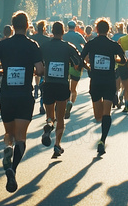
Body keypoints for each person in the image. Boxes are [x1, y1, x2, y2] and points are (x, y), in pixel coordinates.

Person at [0, 11, 44, 193]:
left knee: (8, 133)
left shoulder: (3, 45)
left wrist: (3, 73)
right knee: (21, 136)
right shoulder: (32, 45)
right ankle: (13, 168)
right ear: (27, 25)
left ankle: (7, 147)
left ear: (12, 25)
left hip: (6, 94)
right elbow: (40, 69)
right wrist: (34, 72)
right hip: (24, 95)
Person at [80, 18, 127, 155]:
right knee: (104, 114)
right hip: (109, 81)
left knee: (98, 115)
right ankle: (102, 139)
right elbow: (123, 60)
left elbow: (80, 59)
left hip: (95, 81)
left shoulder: (91, 44)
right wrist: (115, 59)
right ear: (109, 30)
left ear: (96, 29)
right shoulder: (113, 45)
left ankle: (102, 140)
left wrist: (88, 67)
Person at [39, 21, 81, 158]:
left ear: (52, 31)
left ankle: (49, 125)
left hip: (48, 84)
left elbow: (38, 64)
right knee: (61, 117)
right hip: (62, 84)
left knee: (50, 115)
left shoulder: (44, 46)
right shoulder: (68, 47)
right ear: (63, 32)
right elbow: (77, 64)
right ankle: (57, 145)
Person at [62, 21, 86, 118]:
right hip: (76, 62)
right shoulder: (78, 35)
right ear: (75, 27)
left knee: (66, 86)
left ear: (67, 27)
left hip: (66, 62)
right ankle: (71, 102)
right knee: (73, 88)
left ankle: (67, 101)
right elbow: (85, 44)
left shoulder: (64, 36)